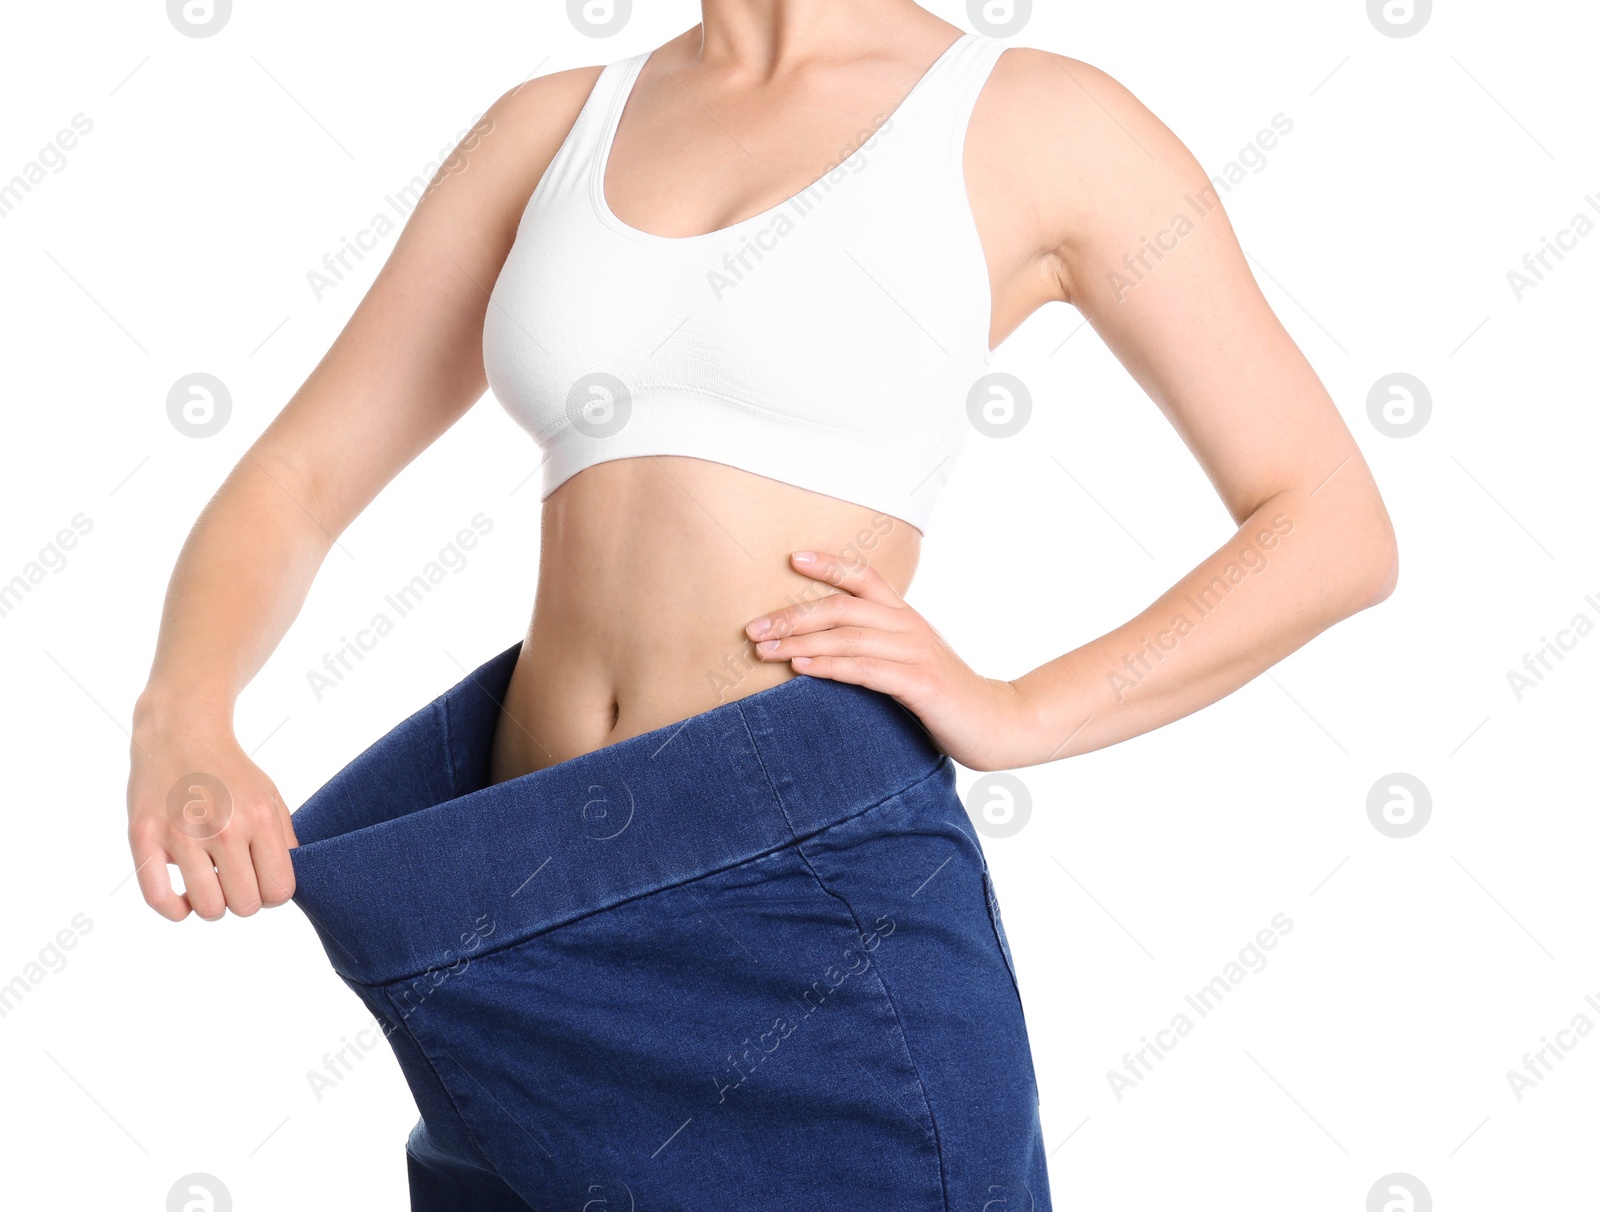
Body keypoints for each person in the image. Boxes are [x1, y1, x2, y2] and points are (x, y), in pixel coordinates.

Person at [126, 2, 1398, 1207]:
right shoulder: (551, 126)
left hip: (809, 922)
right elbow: (297, 479)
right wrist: (182, 717)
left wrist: (1020, 711)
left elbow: (1326, 522)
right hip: (509, 918)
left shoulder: (1035, 123)